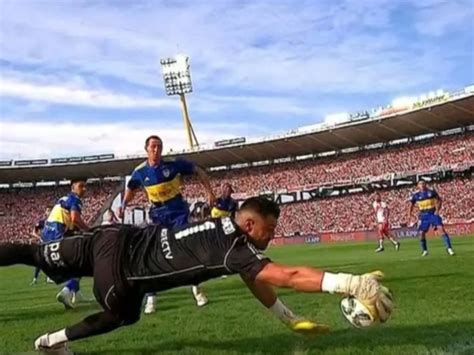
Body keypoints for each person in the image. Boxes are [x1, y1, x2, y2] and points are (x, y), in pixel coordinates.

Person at [0, 197, 393, 353]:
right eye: (270, 231)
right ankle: (52, 342)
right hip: (122, 270)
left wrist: (286, 318)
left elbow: (257, 279)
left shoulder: (220, 227)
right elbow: (285, 274)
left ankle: (51, 342)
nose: (273, 238)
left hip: (109, 238)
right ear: (252, 225)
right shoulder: (236, 249)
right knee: (123, 313)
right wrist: (351, 283)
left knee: (31, 253)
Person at [118, 135, 217, 312]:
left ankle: (196, 289)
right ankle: (151, 297)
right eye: (153, 147)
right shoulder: (140, 171)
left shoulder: (173, 164)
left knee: (186, 248)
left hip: (177, 210)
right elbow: (131, 189)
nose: (156, 150)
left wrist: (209, 192)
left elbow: (199, 171)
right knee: (153, 253)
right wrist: (124, 204)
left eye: (159, 147)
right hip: (157, 214)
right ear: (146, 149)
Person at [42, 178, 91, 308]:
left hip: (48, 234)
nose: (84, 189)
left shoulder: (63, 199)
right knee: (80, 264)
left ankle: (77, 293)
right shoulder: (75, 199)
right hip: (58, 234)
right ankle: (66, 291)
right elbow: (75, 218)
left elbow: (68, 221)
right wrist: (89, 231)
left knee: (76, 261)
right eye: (81, 186)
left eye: (85, 186)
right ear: (73, 187)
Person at [407, 180, 455, 256]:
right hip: (423, 215)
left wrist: (437, 210)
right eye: (420, 184)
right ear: (418, 186)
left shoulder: (431, 192)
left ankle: (449, 248)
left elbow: (439, 200)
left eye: (423, 183)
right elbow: (411, 205)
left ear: (425, 184)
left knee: (441, 230)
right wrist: (409, 214)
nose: (422, 185)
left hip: (432, 214)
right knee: (421, 233)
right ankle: (425, 250)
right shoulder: (416, 195)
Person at [30, 208, 51, 285]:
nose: (49, 212)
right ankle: (35, 278)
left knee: (50, 260)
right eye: (48, 210)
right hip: (43, 244)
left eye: (50, 210)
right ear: (45, 212)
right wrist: (39, 237)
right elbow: (33, 232)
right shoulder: (42, 222)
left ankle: (49, 278)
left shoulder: (54, 222)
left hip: (51, 243)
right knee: (40, 261)